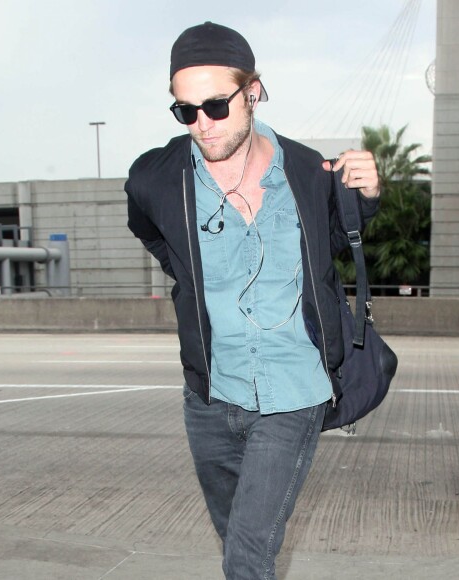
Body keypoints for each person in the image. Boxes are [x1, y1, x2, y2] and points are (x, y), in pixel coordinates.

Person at [125, 21, 380, 580]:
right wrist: (185, 275)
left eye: (216, 106)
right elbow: (148, 229)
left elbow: (331, 247)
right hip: (211, 397)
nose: (202, 124)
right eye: (185, 111)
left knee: (246, 556)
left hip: (294, 389)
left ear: (254, 91)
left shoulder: (311, 173)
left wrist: (368, 194)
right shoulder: (156, 178)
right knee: (237, 541)